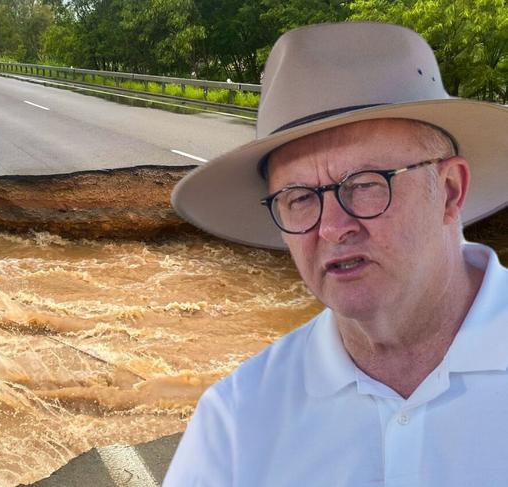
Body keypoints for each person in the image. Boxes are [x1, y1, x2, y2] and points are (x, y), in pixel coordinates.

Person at [163, 22, 508, 486]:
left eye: (365, 185)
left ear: (449, 191)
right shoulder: (237, 420)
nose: (330, 227)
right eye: (299, 198)